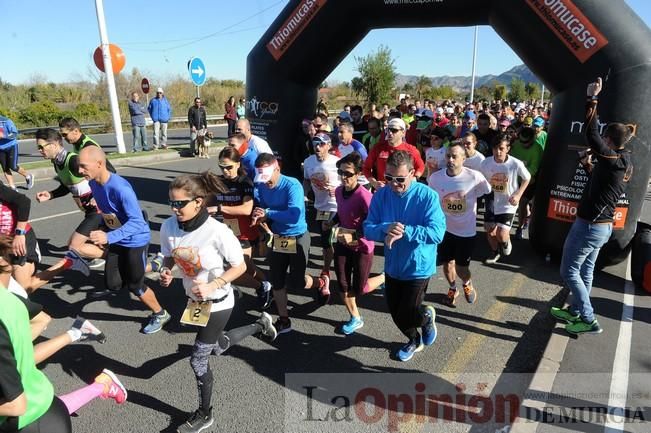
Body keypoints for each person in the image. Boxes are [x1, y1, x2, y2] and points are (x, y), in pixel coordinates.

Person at [157, 173, 277, 433]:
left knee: (198, 359)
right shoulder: (168, 226)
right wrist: (166, 272)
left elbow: (239, 266)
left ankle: (204, 413)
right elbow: (168, 256)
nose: (174, 209)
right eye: (171, 203)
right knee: (218, 346)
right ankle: (260, 325)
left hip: (220, 301)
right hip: (195, 301)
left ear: (198, 202)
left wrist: (213, 285)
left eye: (180, 204)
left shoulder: (216, 231)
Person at [550, 77, 633, 335]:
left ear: (608, 141)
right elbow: (601, 182)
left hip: (590, 226)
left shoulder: (612, 159)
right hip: (600, 226)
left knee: (568, 270)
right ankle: (575, 311)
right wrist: (587, 164)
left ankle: (587, 317)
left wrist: (592, 97)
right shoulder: (623, 161)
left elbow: (590, 132)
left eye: (603, 140)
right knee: (586, 271)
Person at [0, 276, 126, 433]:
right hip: (38, 406)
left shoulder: (6, 300)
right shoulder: (6, 298)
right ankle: (101, 385)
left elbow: (16, 405)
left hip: (29, 415)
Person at [77, 145, 171, 334]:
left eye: (84, 166)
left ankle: (160, 313)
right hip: (118, 239)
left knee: (135, 286)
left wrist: (108, 236)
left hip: (135, 240)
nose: (80, 171)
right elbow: (110, 212)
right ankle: (155, 265)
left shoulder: (120, 188)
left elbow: (137, 222)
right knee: (113, 284)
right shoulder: (94, 184)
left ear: (100, 164)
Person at [364, 151, 445, 362]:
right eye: (389, 178)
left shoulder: (428, 196)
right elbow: (368, 229)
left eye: (400, 179)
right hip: (393, 267)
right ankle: (414, 337)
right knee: (395, 312)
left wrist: (405, 231)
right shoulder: (381, 195)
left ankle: (422, 324)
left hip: (418, 267)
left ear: (412, 173)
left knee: (408, 312)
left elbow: (437, 233)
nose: (394, 184)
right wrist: (386, 228)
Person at [250, 153, 326, 333]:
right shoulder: (260, 185)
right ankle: (284, 319)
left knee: (298, 282)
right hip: (278, 237)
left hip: (297, 236)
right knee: (277, 280)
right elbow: (261, 208)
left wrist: (268, 214)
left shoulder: (292, 185)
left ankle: (321, 283)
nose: (265, 182)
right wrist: (259, 218)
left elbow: (294, 216)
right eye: (262, 177)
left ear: (277, 169)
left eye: (268, 177)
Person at [206, 146, 272, 310]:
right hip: (225, 232)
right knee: (243, 269)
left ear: (238, 164)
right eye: (222, 167)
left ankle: (263, 286)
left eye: (229, 167)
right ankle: (265, 286)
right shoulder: (218, 181)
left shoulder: (245, 182)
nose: (225, 171)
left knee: (238, 270)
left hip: (245, 232)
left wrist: (219, 209)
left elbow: (246, 209)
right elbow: (209, 203)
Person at [428, 142, 491, 307]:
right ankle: (452, 288)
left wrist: (488, 216)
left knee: (462, 268)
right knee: (447, 263)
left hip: (466, 232)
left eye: (455, 156)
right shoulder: (435, 178)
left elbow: (487, 192)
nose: (450, 159)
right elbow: (432, 202)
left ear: (463, 158)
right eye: (448, 155)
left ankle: (466, 283)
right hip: (444, 230)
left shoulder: (474, 177)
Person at [34, 128, 106, 269]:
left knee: (74, 246)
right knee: (93, 241)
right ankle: (110, 255)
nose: (40, 151)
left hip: (97, 210)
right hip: (88, 210)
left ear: (54, 145)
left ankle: (114, 257)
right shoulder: (57, 163)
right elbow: (67, 185)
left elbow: (104, 175)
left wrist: (100, 196)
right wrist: (51, 194)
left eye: (41, 147)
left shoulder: (73, 160)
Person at [331, 152, 384, 334]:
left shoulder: (364, 196)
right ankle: (355, 317)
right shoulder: (338, 191)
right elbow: (341, 212)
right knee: (342, 284)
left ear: (358, 174)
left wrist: (355, 234)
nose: (344, 177)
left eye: (348, 174)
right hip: (342, 243)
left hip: (362, 246)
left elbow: (374, 220)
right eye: (341, 172)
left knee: (360, 288)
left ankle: (385, 277)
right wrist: (332, 221)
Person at [480, 135, 531, 264]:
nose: (498, 152)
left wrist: (518, 194)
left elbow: (527, 178)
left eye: (501, 148)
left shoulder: (515, 163)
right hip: (492, 201)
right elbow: (481, 180)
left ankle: (505, 241)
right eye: (495, 148)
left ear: (508, 149)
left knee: (501, 234)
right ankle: (495, 252)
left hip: (508, 203)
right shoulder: (486, 163)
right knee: (490, 231)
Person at [303, 133, 340, 303]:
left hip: (335, 206)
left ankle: (330, 271)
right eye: (315, 143)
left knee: (330, 240)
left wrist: (339, 191)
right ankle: (328, 269)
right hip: (319, 207)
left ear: (329, 145)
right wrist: (303, 196)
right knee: (326, 241)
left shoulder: (336, 162)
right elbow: (305, 180)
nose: (318, 147)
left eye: (322, 144)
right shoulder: (309, 161)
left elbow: (351, 179)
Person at [363, 118, 425, 190]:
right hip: (384, 189)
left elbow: (421, 167)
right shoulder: (378, 148)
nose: (390, 133)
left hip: (404, 190)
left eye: (394, 130)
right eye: (388, 130)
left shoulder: (411, 150)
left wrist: (414, 178)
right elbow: (366, 167)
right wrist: (374, 183)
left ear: (403, 132)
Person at [509, 127, 544, 240]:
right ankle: (524, 217)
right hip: (514, 179)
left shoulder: (538, 149)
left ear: (533, 139)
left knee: (522, 203)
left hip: (529, 181)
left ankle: (519, 228)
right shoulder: (516, 145)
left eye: (527, 142)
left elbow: (533, 170)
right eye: (522, 141)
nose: (523, 144)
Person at [0, 115, 34, 190]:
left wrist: (4, 135)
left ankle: (28, 176)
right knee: (5, 168)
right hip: (0, 149)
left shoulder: (6, 121)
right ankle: (13, 187)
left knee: (13, 167)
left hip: (11, 146)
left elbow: (15, 134)